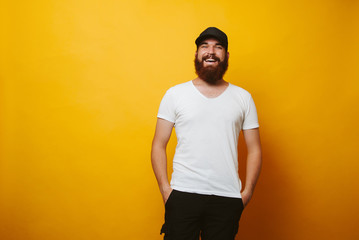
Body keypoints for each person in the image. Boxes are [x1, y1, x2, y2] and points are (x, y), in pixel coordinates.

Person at [151, 27, 262, 240]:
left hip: (227, 197)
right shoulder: (175, 94)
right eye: (205, 46)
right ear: (196, 54)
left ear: (226, 56)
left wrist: (246, 193)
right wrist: (166, 190)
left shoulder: (243, 98)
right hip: (183, 194)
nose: (211, 51)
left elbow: (255, 149)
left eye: (218, 47)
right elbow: (158, 144)